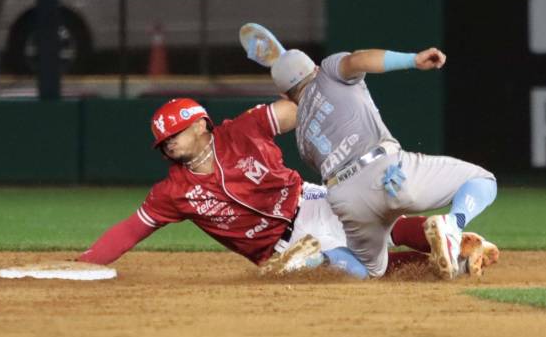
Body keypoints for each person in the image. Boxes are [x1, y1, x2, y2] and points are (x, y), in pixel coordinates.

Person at [77, 97, 498, 279]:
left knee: (381, 222)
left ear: (202, 125)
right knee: (359, 272)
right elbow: (132, 228)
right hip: (277, 248)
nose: (168, 143)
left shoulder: (243, 130)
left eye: (175, 134)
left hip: (310, 200)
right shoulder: (173, 192)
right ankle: (456, 250)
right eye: (163, 141)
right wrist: (89, 261)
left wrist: (306, 87)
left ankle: (450, 241)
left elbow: (299, 109)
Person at [242, 23, 499, 280]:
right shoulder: (329, 72)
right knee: (482, 180)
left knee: (370, 269)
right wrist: (412, 59)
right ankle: (453, 226)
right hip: (388, 174)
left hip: (346, 199)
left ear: (285, 95)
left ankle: (317, 258)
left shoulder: (301, 137)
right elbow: (360, 59)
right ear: (315, 68)